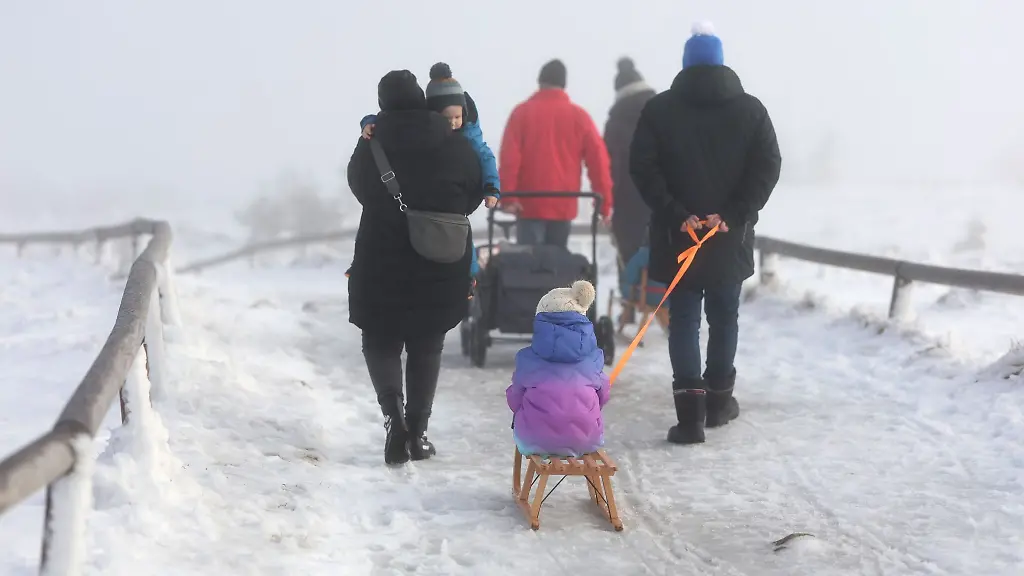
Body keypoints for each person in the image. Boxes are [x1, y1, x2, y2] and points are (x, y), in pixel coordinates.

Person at [629, 22, 782, 445]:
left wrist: (676, 213)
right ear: (721, 62)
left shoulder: (659, 110)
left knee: (683, 321)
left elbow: (642, 167)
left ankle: (690, 419)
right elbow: (768, 165)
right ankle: (719, 403)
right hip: (727, 235)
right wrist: (733, 213)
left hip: (678, 236)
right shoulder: (751, 110)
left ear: (685, 64)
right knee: (724, 316)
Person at [347, 69, 484, 465]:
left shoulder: (372, 141)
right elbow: (474, 191)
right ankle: (418, 433)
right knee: (427, 342)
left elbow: (358, 185)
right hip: (440, 259)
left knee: (381, 339)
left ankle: (394, 417)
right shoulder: (452, 139)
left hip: (380, 256)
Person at [359, 62, 500, 278]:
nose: (453, 123)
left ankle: (470, 278)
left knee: (460, 245)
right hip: (446, 215)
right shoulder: (427, 132)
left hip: (441, 217)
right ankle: (467, 279)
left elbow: (485, 157)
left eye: (457, 117)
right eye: (447, 118)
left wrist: (491, 187)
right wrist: (368, 122)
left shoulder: (469, 133)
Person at [498, 59, 614, 247]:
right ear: (564, 85)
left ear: (540, 82)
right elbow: (598, 163)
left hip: (528, 205)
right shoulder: (579, 117)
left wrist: (509, 197)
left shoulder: (521, 114)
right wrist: (604, 205)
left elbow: (509, 159)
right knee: (558, 261)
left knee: (528, 261)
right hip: (564, 205)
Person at [506, 280, 610, 456]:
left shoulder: (527, 359)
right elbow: (603, 395)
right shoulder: (594, 358)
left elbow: (514, 400)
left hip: (534, 440)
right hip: (587, 440)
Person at [603, 57, 657, 320]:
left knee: (628, 253)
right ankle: (664, 302)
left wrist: (607, 200)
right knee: (661, 248)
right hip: (661, 198)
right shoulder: (663, 113)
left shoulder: (616, 122)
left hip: (627, 200)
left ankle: (630, 305)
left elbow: (609, 165)